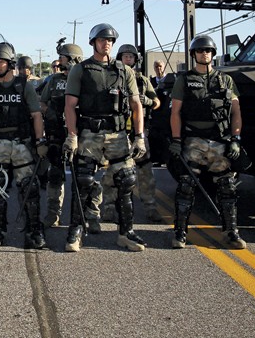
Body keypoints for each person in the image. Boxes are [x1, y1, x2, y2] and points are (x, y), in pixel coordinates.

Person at [63, 23, 147, 252]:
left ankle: (125, 232)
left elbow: (136, 105)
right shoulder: (81, 70)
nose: (106, 43)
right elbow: (70, 106)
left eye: (110, 40)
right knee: (83, 182)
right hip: (89, 133)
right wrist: (72, 136)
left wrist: (139, 136)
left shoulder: (124, 71)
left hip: (117, 134)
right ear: (93, 43)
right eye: (102, 40)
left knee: (127, 180)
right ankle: (76, 230)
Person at [169, 35, 246, 250]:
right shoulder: (184, 80)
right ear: (194, 54)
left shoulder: (225, 80)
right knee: (186, 186)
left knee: (227, 187)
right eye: (201, 51)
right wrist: (176, 140)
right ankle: (180, 232)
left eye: (209, 51)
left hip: (219, 139)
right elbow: (175, 112)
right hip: (193, 139)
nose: (205, 54)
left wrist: (235, 138)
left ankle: (231, 232)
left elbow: (236, 112)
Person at [0, 41, 47, 249]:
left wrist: (40, 141)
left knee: (29, 190)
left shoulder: (24, 85)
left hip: (21, 144)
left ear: (10, 63)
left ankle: (35, 230)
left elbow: (36, 115)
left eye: (0, 62)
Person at [101, 44, 163, 222]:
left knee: (145, 171)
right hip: (118, 132)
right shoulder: (112, 77)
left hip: (139, 131)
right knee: (113, 172)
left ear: (136, 60)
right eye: (125, 56)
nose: (128, 59)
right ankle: (108, 207)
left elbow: (157, 101)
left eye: (131, 57)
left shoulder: (143, 80)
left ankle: (150, 207)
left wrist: (148, 101)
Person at [39, 42, 84, 228]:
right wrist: (49, 111)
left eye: (63, 57)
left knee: (84, 177)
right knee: (55, 175)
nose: (60, 61)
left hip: (78, 135)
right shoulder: (54, 80)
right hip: (56, 134)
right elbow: (41, 102)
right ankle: (53, 214)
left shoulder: (84, 77)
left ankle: (88, 215)